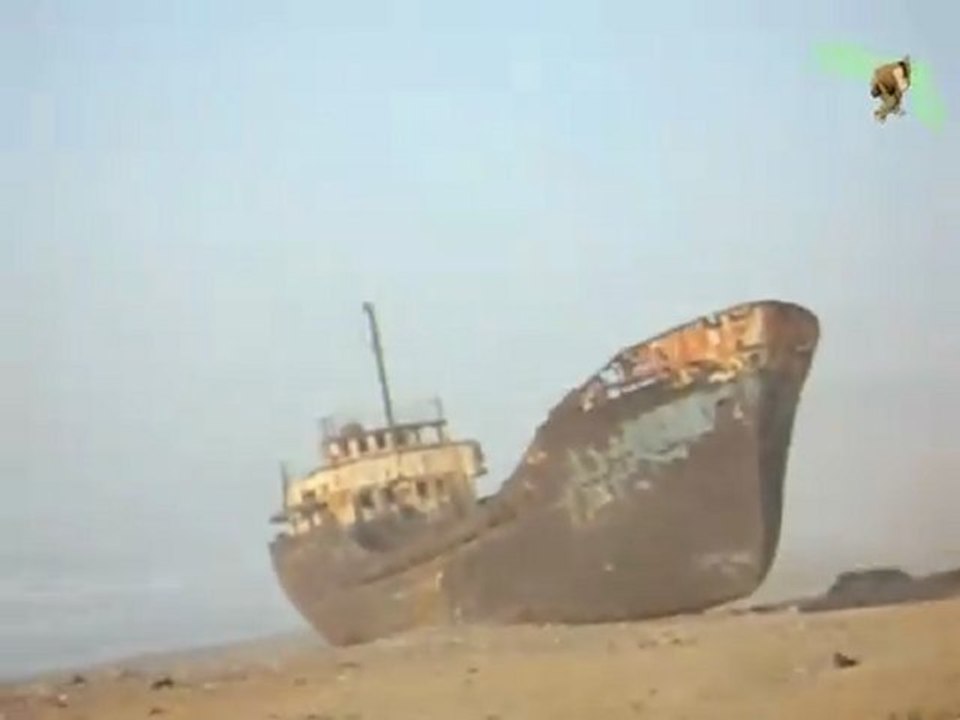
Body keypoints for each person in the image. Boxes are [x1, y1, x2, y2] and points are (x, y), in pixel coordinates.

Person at [870, 55, 911, 123]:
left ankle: (887, 111)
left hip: (895, 75)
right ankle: (885, 112)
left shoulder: (878, 77)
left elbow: (897, 94)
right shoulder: (882, 89)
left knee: (894, 99)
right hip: (892, 79)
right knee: (892, 100)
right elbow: (891, 98)